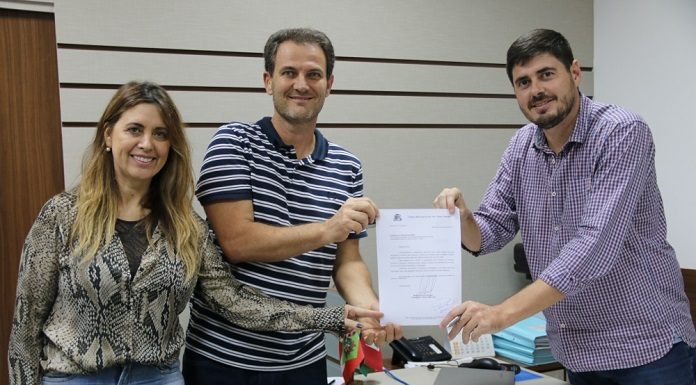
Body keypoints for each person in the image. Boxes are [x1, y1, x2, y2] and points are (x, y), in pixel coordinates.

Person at [7, 81, 382, 385]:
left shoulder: (186, 228)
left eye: (160, 134)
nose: (147, 144)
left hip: (157, 379)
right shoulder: (61, 215)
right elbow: (26, 323)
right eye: (134, 130)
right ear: (108, 135)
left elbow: (235, 302)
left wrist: (331, 318)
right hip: (75, 379)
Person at [434, 29, 696, 385]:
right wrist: (464, 219)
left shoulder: (621, 132)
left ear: (574, 72)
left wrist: (501, 314)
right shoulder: (522, 145)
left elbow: (594, 247)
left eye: (546, 74)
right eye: (523, 82)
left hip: (645, 346)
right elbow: (490, 233)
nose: (536, 90)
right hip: (575, 349)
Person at [183, 28, 401, 385]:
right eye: (289, 73)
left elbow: (347, 260)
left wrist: (370, 310)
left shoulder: (347, 166)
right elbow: (238, 243)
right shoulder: (233, 143)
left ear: (329, 83)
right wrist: (327, 229)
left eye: (313, 74)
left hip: (304, 360)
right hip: (223, 360)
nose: (301, 84)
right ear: (268, 82)